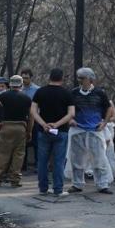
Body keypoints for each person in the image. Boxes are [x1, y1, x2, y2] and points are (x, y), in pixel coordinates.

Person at [67, 68, 114, 194]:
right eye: (79, 77)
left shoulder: (99, 93)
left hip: (95, 130)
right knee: (76, 159)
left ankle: (102, 184)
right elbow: (68, 108)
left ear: (90, 79)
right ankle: (77, 184)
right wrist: (70, 119)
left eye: (82, 78)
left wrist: (104, 123)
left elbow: (109, 108)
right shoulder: (74, 93)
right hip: (78, 129)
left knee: (99, 158)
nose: (79, 80)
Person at [31, 68, 75, 196]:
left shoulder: (40, 92)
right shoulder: (67, 93)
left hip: (43, 131)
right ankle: (58, 190)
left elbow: (33, 111)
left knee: (42, 161)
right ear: (62, 78)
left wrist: (44, 124)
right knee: (58, 161)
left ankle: (43, 189)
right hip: (61, 131)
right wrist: (56, 124)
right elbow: (71, 113)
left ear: (49, 77)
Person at [0, 75, 33, 187]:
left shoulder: (4, 96)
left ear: (10, 85)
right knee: (18, 154)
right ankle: (15, 179)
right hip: (21, 128)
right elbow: (31, 115)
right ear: (21, 85)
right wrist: (29, 131)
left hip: (6, 127)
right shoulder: (26, 98)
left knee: (2, 152)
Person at [21, 68, 40, 171]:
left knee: (37, 142)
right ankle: (23, 165)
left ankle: (38, 165)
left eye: (27, 78)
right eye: (23, 78)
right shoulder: (19, 89)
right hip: (23, 118)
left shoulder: (37, 90)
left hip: (35, 118)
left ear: (31, 78)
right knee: (22, 143)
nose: (25, 80)